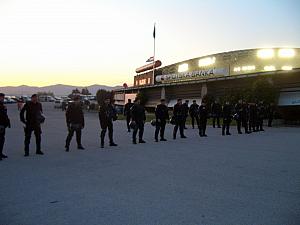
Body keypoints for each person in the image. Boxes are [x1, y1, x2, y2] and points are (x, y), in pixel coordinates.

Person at [0, 93, 11, 160]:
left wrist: (7, 123)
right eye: (1, 97)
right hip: (0, 125)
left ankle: (0, 153)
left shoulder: (2, 105)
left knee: (2, 140)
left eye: (3, 97)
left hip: (3, 125)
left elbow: (4, 115)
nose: (3, 99)